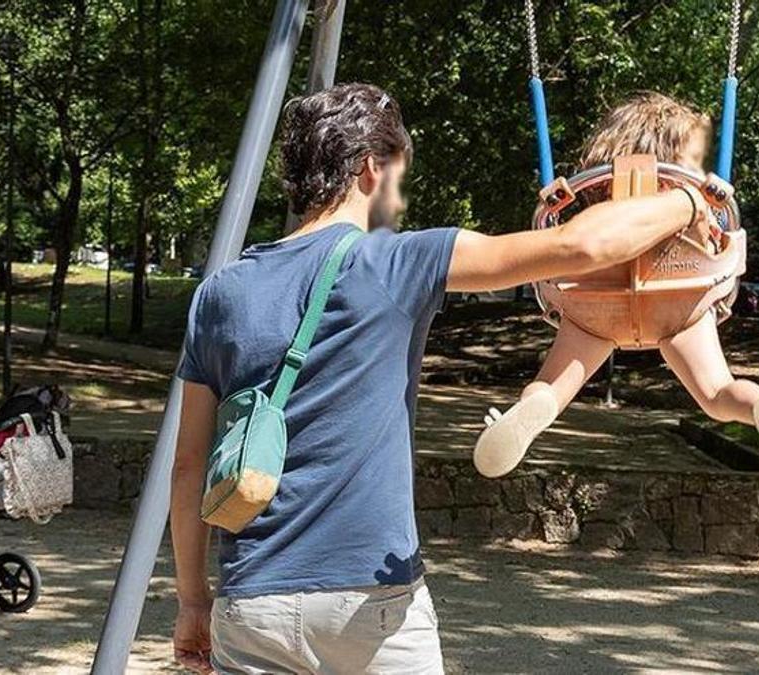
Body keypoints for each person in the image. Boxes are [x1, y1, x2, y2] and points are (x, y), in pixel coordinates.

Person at [169, 83, 715, 674]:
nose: (399, 201)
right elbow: (581, 247)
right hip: (371, 606)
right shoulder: (399, 261)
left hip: (253, 600)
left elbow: (188, 466)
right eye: (400, 178)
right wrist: (688, 201)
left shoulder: (218, 295)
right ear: (370, 170)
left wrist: (193, 601)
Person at [473, 92, 759, 502]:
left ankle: (529, 411)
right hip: (679, 302)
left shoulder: (597, 196)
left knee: (551, 388)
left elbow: (554, 233)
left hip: (594, 301)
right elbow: (725, 240)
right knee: (716, 395)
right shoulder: (694, 199)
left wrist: (551, 204)